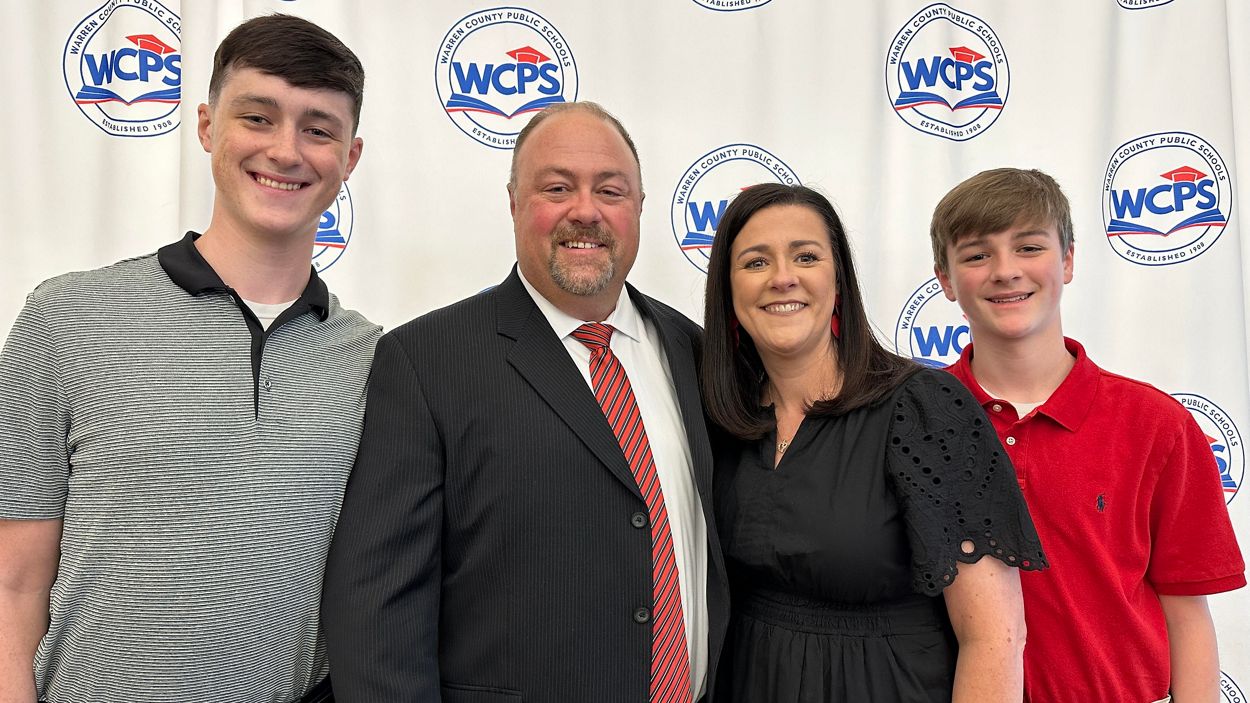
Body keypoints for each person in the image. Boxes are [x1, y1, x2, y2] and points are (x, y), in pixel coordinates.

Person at [0, 14, 378, 703]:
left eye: (318, 129)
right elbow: (13, 581)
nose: (285, 150)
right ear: (207, 127)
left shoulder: (373, 361)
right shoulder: (65, 318)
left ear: (349, 157)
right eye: (257, 118)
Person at [321, 101, 729, 702]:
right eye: (557, 188)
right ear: (513, 203)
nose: (585, 211)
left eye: (610, 190)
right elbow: (377, 616)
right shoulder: (427, 361)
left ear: (640, 207)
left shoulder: (696, 353)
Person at [703, 183, 1046, 702]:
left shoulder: (925, 409)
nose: (783, 277)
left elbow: (995, 638)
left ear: (838, 280)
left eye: (806, 256)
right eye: (755, 262)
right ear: (728, 290)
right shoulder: (720, 416)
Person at [930, 168, 1245, 703]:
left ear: (1069, 260)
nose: (1006, 271)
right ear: (945, 279)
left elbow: (1187, 609)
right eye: (978, 255)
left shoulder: (1156, 425)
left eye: (1029, 247)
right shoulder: (915, 419)